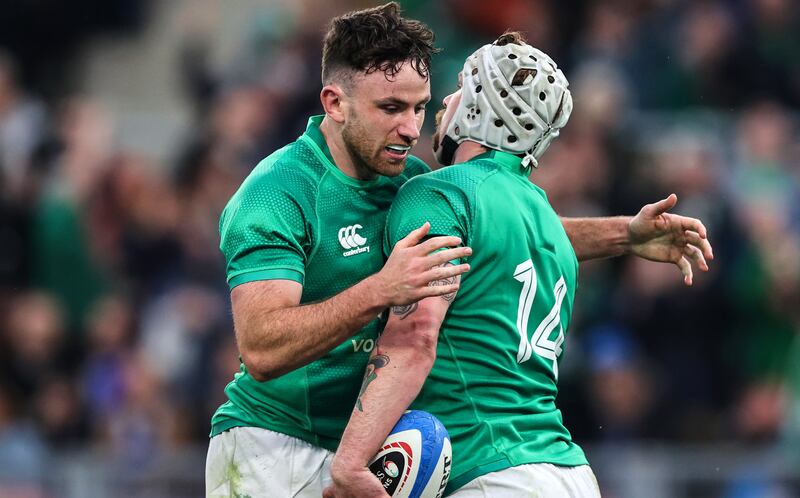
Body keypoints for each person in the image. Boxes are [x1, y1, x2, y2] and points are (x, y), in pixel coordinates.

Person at [324, 31, 714, 498]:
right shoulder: (547, 222)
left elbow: (414, 338)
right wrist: (626, 234)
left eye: (459, 89)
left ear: (478, 110)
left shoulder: (440, 192)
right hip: (567, 470)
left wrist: (348, 464)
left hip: (491, 471)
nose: (444, 102)